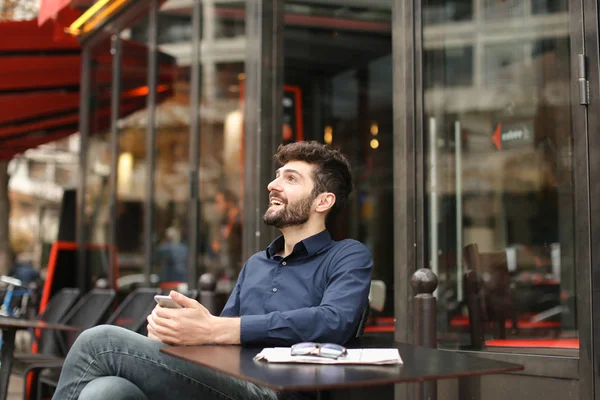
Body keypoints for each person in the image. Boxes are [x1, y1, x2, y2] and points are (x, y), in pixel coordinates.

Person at [52, 141, 373, 400]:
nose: (273, 185)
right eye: (277, 175)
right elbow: (217, 339)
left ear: (323, 202)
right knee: (107, 391)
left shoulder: (347, 256)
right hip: (225, 384)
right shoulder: (256, 264)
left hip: (279, 393)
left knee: (99, 341)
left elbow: (334, 322)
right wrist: (181, 333)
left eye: (290, 178)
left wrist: (217, 329)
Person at [211, 188, 243, 276]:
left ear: (229, 202)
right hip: (227, 267)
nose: (216, 206)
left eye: (218, 202)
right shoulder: (224, 220)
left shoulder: (240, 220)